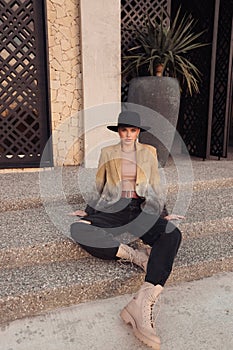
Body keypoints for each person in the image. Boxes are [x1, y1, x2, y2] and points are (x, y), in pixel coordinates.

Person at [70, 111, 183, 350]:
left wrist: (163, 213)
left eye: (132, 130)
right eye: (124, 130)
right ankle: (135, 256)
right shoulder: (107, 153)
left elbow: (154, 185)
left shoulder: (149, 153)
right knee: (78, 229)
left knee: (172, 233)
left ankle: (143, 301)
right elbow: (99, 185)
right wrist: (88, 211)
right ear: (119, 132)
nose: (128, 135)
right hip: (114, 209)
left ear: (138, 132)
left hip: (141, 209)